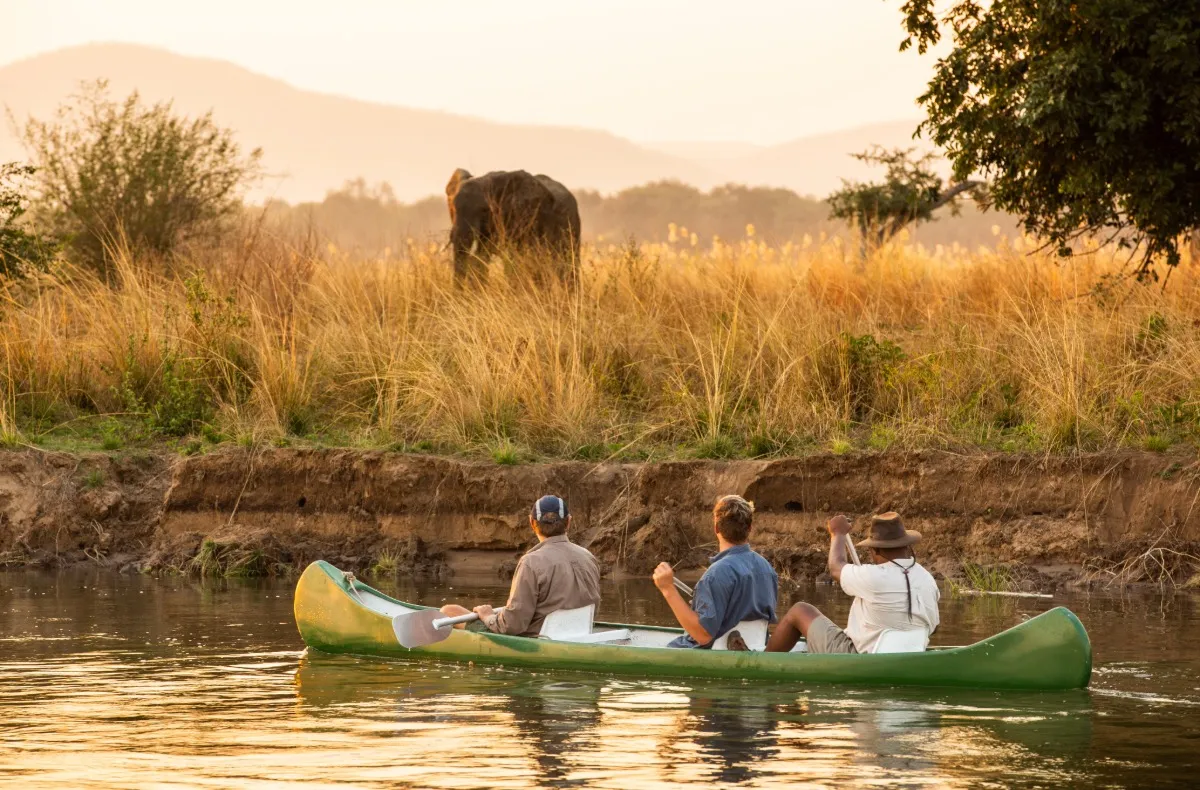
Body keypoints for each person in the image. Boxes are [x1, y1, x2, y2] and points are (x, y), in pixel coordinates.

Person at [766, 512, 939, 654]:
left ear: (875, 550)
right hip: (913, 652)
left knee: (800, 610)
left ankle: (763, 662)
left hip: (860, 656)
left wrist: (838, 534)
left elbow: (836, 568)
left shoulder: (873, 576)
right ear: (908, 546)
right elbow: (933, 628)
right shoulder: (927, 579)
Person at [440, 494, 601, 637]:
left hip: (540, 638)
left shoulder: (530, 562)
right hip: (580, 632)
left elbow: (512, 626)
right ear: (569, 522)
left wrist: (488, 616)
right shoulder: (589, 557)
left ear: (532, 523)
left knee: (449, 611)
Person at [652, 494, 778, 649]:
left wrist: (667, 589)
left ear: (716, 528)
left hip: (711, 651)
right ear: (750, 528)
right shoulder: (767, 569)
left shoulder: (715, 574)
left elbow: (703, 635)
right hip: (755, 647)